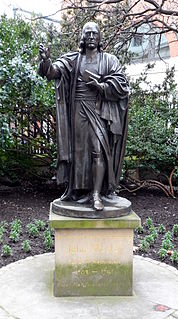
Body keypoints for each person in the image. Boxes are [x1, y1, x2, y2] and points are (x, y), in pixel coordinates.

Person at [38, 21, 129, 211]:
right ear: (82, 37)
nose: (91, 37)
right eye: (87, 33)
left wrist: (102, 87)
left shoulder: (109, 60)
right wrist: (46, 60)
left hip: (98, 109)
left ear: (100, 37)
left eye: (94, 33)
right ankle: (78, 191)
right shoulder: (73, 59)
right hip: (78, 109)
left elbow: (122, 84)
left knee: (98, 150)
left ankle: (96, 194)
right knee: (78, 153)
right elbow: (54, 72)